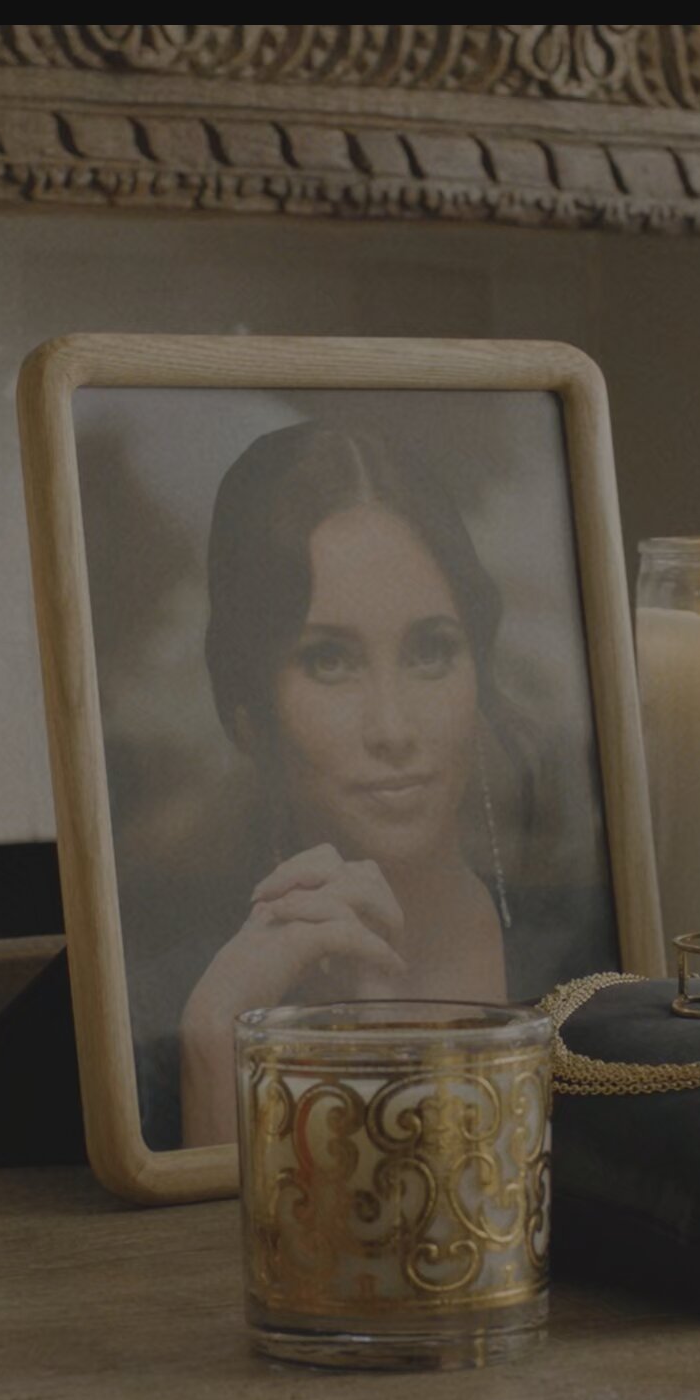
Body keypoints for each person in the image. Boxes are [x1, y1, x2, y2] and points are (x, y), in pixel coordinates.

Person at [139, 421, 611, 1149]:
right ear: (248, 713)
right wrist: (214, 1037)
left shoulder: (594, 961)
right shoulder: (157, 1014)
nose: (393, 728)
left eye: (431, 651)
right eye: (329, 660)